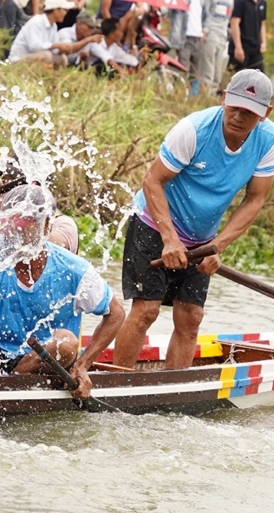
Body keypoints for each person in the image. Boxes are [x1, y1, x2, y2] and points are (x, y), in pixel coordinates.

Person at [113, 70, 274, 370]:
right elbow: (152, 181)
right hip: (153, 223)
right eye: (235, 106)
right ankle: (117, 381)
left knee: (190, 317)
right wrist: (170, 239)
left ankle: (173, 395)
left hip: (202, 238)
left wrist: (217, 247)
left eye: (249, 112)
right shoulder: (193, 129)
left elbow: (255, 199)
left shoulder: (268, 142)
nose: (238, 117)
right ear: (224, 98)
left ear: (266, 113)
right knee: (147, 310)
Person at [0, 185, 125, 400]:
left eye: (28, 224)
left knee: (66, 342)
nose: (18, 233)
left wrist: (83, 365)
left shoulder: (73, 269)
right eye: (12, 224)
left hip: (48, 357)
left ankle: (8, 386)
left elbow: (116, 314)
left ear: (46, 227)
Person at [0, 179, 80, 253]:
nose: (1, 188)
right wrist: (2, 210)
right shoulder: (5, 222)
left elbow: (36, 242)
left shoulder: (63, 224)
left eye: (7, 184)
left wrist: (7, 216)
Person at [7, 0, 101, 66]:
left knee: (62, 58)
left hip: (34, 56)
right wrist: (56, 45)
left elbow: (55, 50)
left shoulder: (53, 26)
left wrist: (62, 49)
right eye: (65, 10)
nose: (66, 13)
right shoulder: (37, 21)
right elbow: (34, 46)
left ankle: (53, 80)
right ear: (56, 10)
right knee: (46, 55)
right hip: (18, 59)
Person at [200, 0, 235, 95]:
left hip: (222, 38)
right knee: (208, 71)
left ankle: (211, 97)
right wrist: (205, 31)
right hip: (210, 35)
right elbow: (206, 14)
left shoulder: (231, 1)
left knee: (217, 73)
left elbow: (229, 19)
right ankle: (204, 96)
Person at [229, 0, 267, 72]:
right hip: (242, 48)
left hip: (255, 49)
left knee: (260, 77)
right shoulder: (240, 2)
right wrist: (238, 47)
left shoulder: (262, 2)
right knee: (237, 78)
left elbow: (262, 23)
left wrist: (263, 42)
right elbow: (234, 23)